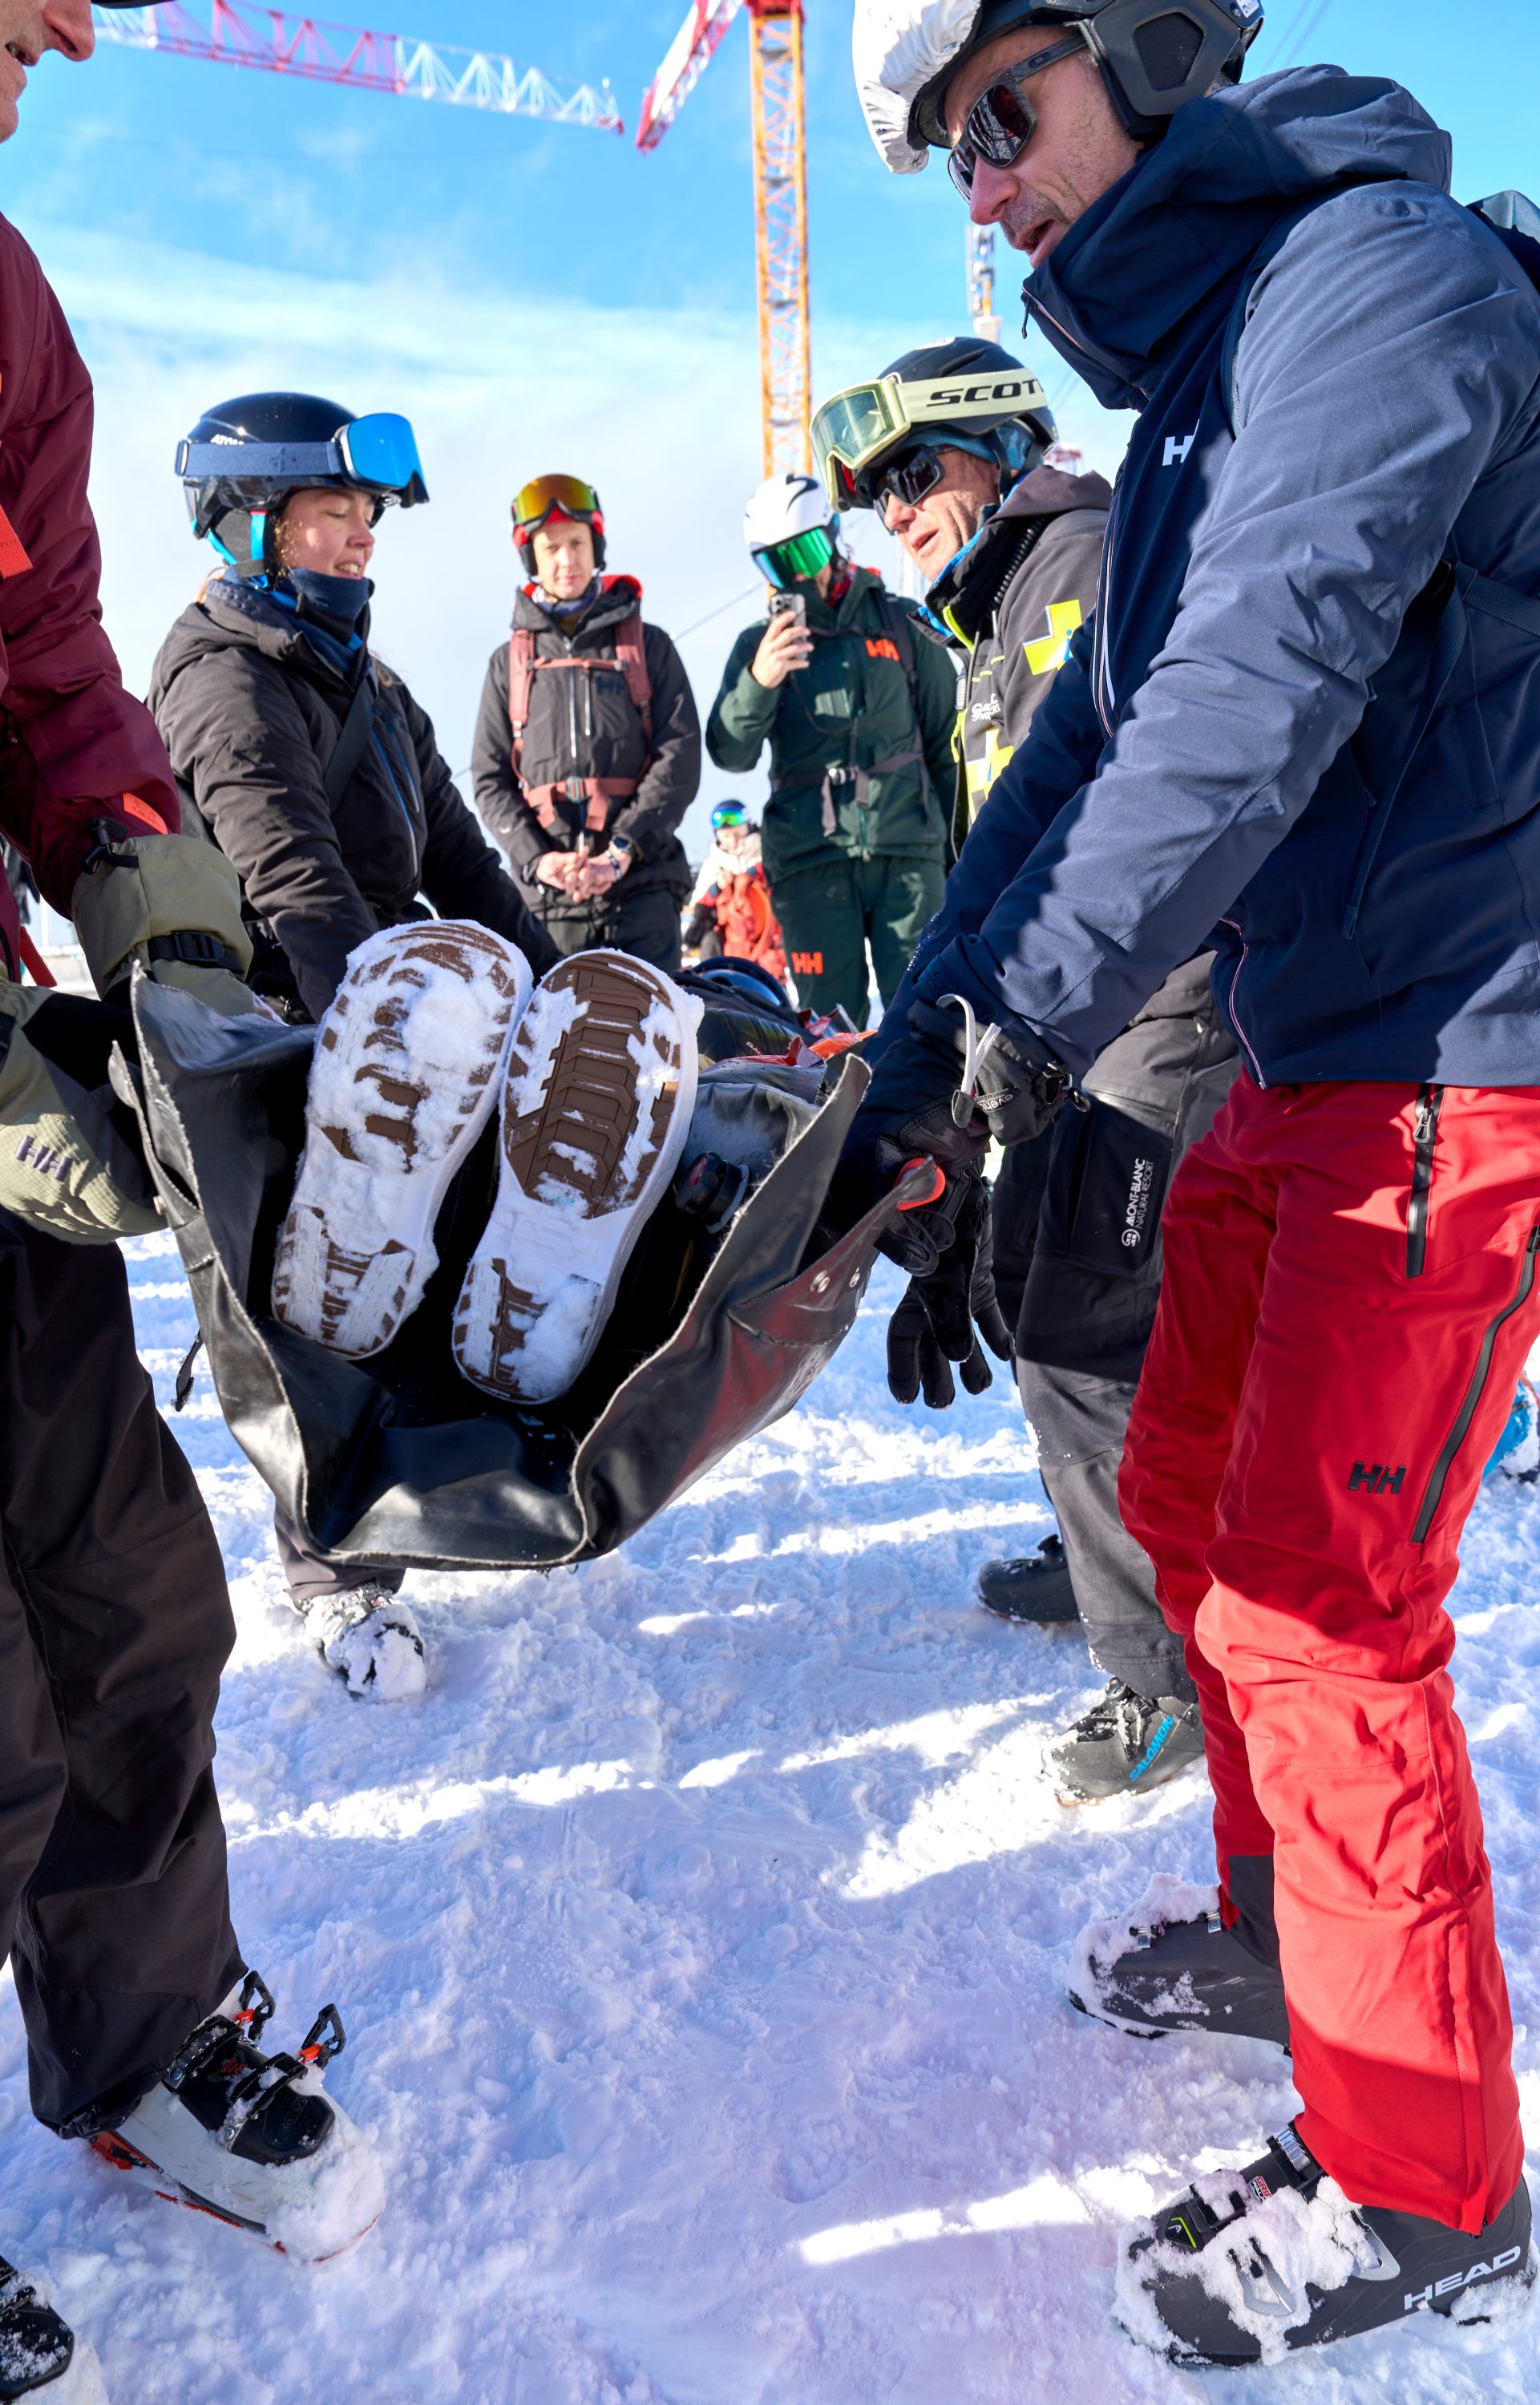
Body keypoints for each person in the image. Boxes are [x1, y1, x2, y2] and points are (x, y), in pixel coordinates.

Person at [848, 0, 1540, 2363]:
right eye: (953, 155)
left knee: (1313, 1603)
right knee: (1186, 1497)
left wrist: (1028, 1037)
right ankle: (1299, 1939)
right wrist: (929, 1073)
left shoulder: (1377, 290)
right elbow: (1071, 757)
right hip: (1323, 1044)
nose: (980, 189)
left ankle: (1419, 2188)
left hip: (1472, 1054)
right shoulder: (1196, 390)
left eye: (1001, 116)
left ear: (1152, 46)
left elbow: (1243, 699)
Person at [0, 5, 385, 2387]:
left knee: (124, 1583)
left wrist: (157, 926)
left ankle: (141, 2032)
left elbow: (41, 655)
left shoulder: (6, 304)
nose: (40, 50)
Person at [817, 337, 1227, 1796]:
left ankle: (1166, 1681)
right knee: (1032, 1288)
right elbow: (1003, 852)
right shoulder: (1002, 607)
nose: (895, 513)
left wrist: (1014, 1031)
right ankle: (1106, 1549)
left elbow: (1110, 819)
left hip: (1159, 997)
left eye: (914, 476)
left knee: (1084, 1331)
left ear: (996, 449)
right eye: (877, 498)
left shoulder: (1073, 566)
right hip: (1084, 1005)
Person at [149, 390, 556, 1704]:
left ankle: (449, 1485)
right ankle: (336, 1581)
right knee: (309, 1310)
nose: (362, 536)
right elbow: (290, 876)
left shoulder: (369, 682)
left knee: (412, 1279)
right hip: (266, 1036)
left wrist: (559, 992)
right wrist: (377, 1036)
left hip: (384, 1013)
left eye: (367, 514)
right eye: (335, 512)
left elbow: (459, 859)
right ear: (248, 526)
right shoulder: (222, 670)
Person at [707, 471, 957, 1027]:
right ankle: (840, 1116)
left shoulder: (904, 625)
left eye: (806, 549)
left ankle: (928, 1116)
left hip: (908, 855)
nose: (796, 571)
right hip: (810, 863)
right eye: (777, 561)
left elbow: (945, 748)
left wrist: (955, 858)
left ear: (833, 533)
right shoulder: (759, 646)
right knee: (828, 1027)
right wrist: (759, 680)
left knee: (927, 1015)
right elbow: (729, 751)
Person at [471, 474, 701, 975]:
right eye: (550, 548)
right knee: (549, 1046)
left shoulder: (649, 647)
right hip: (549, 908)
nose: (566, 560)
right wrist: (537, 861)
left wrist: (622, 850)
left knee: (654, 1042)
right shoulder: (508, 664)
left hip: (643, 891)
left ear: (595, 545)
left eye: (576, 543)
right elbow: (490, 779)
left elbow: (679, 758)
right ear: (532, 557)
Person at [681, 798, 787, 982]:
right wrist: (717, 889)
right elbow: (699, 902)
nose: (733, 841)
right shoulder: (714, 865)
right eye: (726, 836)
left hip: (769, 940)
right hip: (732, 944)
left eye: (738, 834)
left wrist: (755, 875)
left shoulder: (768, 852)